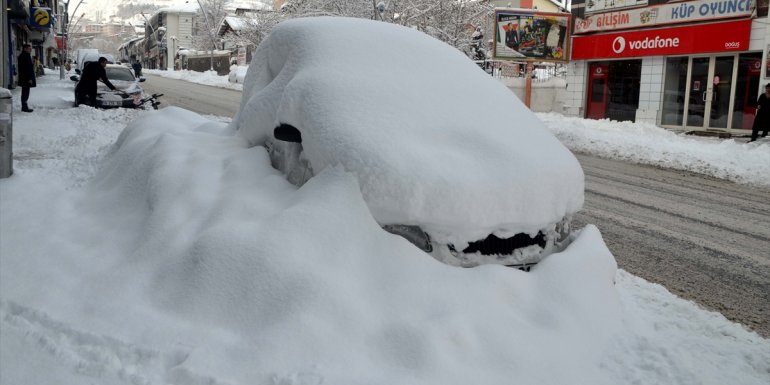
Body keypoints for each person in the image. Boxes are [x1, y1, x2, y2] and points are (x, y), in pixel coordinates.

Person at [17, 44, 36, 112]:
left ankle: (24, 106)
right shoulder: (23, 56)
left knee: (25, 92)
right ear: (25, 49)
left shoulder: (26, 56)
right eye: (29, 48)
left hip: (25, 78)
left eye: (30, 48)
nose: (30, 50)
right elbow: (26, 69)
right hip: (26, 78)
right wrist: (29, 78)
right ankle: (24, 107)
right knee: (25, 93)